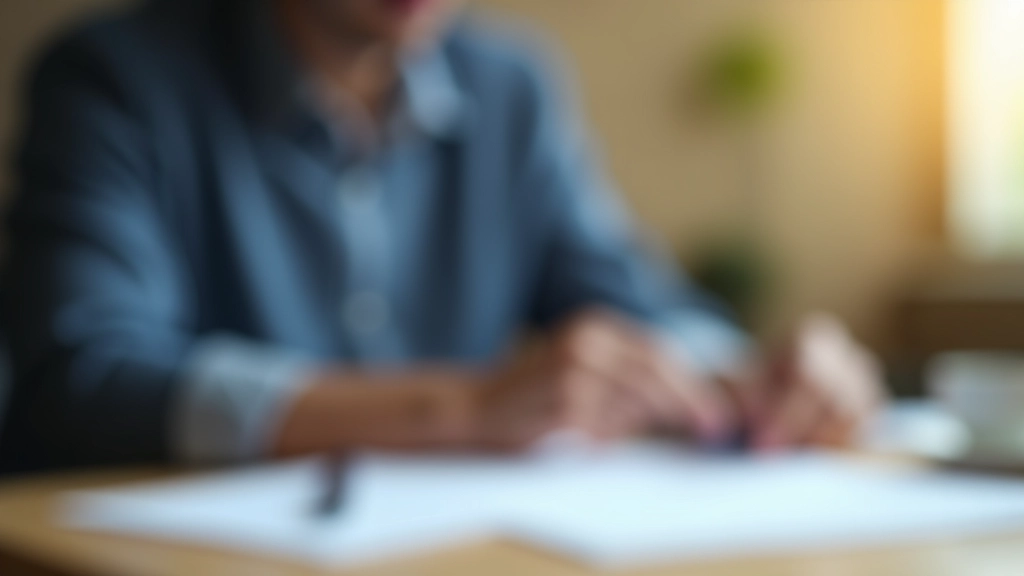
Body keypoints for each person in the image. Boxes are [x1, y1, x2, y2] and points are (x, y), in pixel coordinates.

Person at [0, 0, 882, 474]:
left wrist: (749, 376)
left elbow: (630, 304)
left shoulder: (511, 90)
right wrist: (465, 407)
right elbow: (82, 376)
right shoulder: (115, 78)